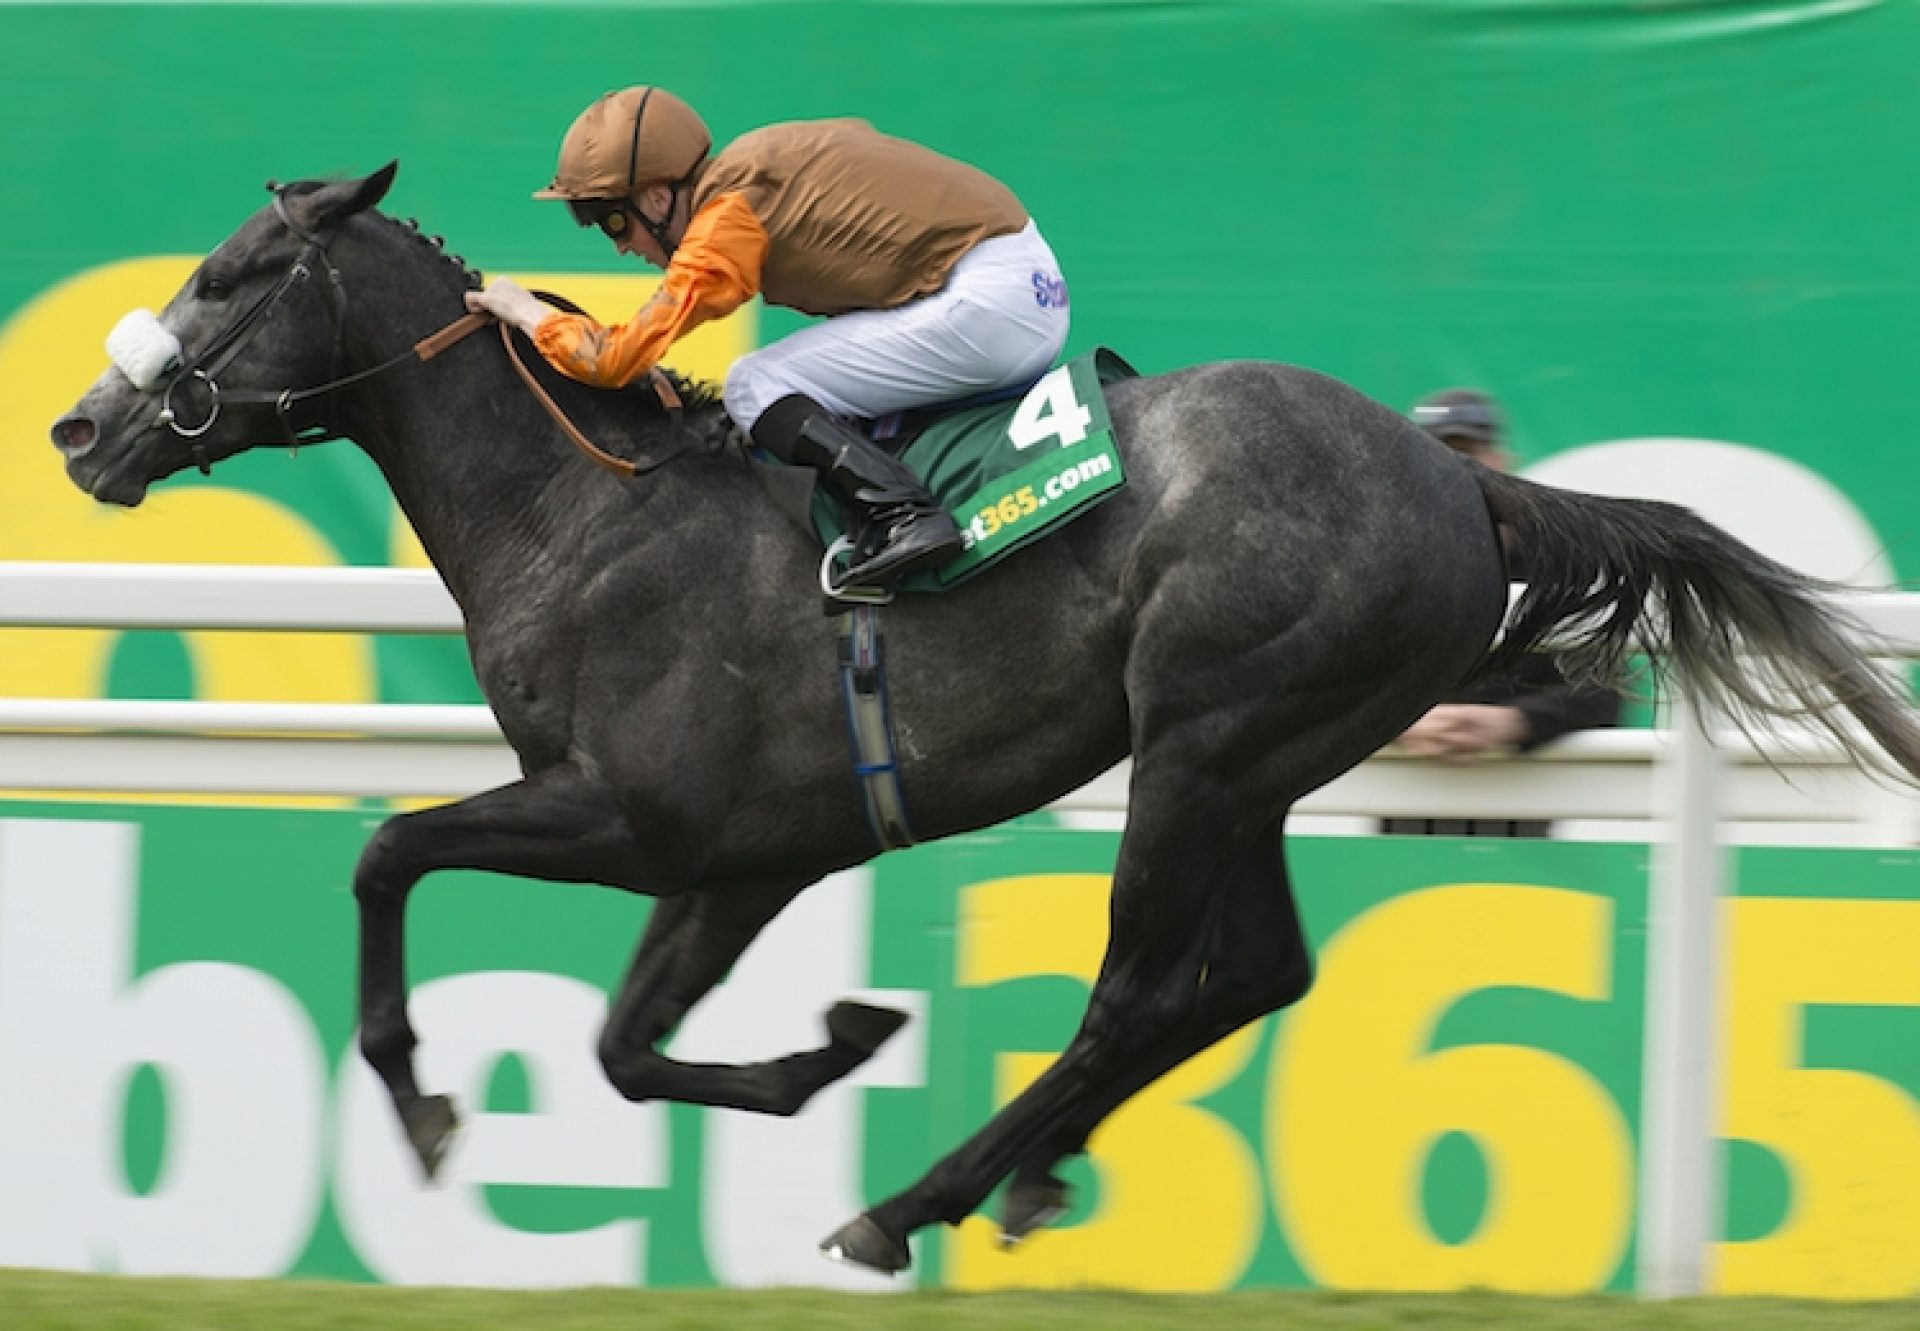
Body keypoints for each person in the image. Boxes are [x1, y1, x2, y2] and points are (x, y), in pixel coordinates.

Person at [465, 86, 1071, 589]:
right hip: (1021, 284)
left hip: (990, 306)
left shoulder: (728, 218)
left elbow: (615, 360)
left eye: (615, 221)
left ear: (658, 195)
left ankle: (904, 514)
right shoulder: (760, 156)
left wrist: (529, 312)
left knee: (754, 381)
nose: (623, 244)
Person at [1384, 388, 1624, 836]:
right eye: (1437, 453)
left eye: (1469, 452)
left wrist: (1510, 722)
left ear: (1501, 460)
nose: (1456, 469)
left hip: (1523, 826)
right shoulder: (1383, 568)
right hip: (1405, 822)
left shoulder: (1561, 566)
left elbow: (1603, 693)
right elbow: (1337, 683)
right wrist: (1402, 724)